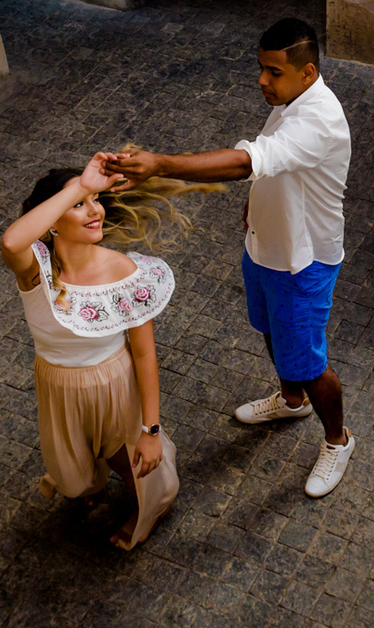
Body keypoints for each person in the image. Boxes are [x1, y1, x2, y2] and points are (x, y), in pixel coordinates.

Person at [104, 18, 355, 498]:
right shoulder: (291, 99)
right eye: (260, 69)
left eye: (273, 72)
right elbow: (275, 166)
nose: (262, 80)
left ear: (306, 72)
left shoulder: (319, 118)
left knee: (307, 359)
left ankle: (337, 438)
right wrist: (258, 202)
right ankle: (291, 400)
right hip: (264, 247)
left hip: (302, 264)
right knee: (269, 331)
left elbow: (249, 161)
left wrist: (160, 164)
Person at [0, 152, 191, 550]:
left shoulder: (125, 272)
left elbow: (144, 355)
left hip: (114, 381)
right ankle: (89, 477)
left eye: (96, 201)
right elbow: (12, 240)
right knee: (72, 475)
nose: (95, 212)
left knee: (130, 462)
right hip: (57, 382)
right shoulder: (36, 268)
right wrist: (83, 184)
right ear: (51, 221)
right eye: (79, 205)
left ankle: (151, 506)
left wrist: (151, 430)